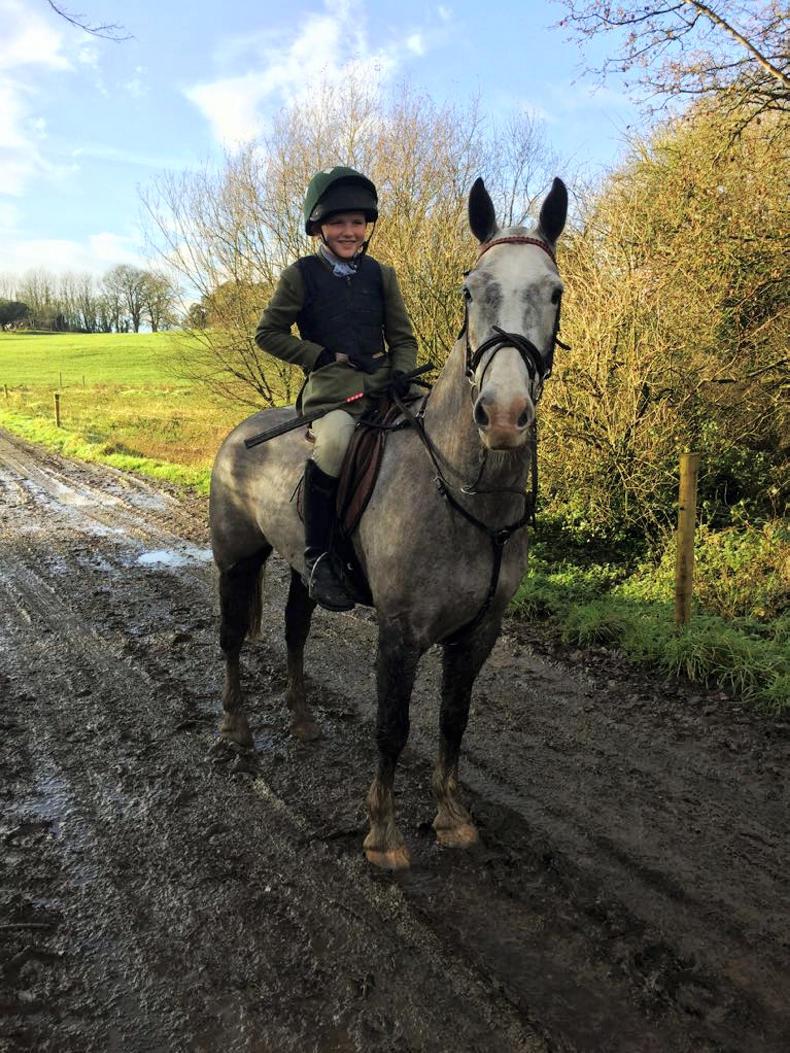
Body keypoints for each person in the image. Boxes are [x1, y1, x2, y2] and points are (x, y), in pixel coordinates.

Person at [254, 166, 418, 612]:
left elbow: (403, 339)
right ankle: (318, 556)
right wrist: (320, 356)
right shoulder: (300, 275)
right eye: (339, 222)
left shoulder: (382, 275)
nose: (349, 231)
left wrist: (402, 370)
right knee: (336, 443)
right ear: (319, 228)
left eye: (357, 222)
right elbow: (267, 334)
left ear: (367, 227)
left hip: (387, 385)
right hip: (333, 393)